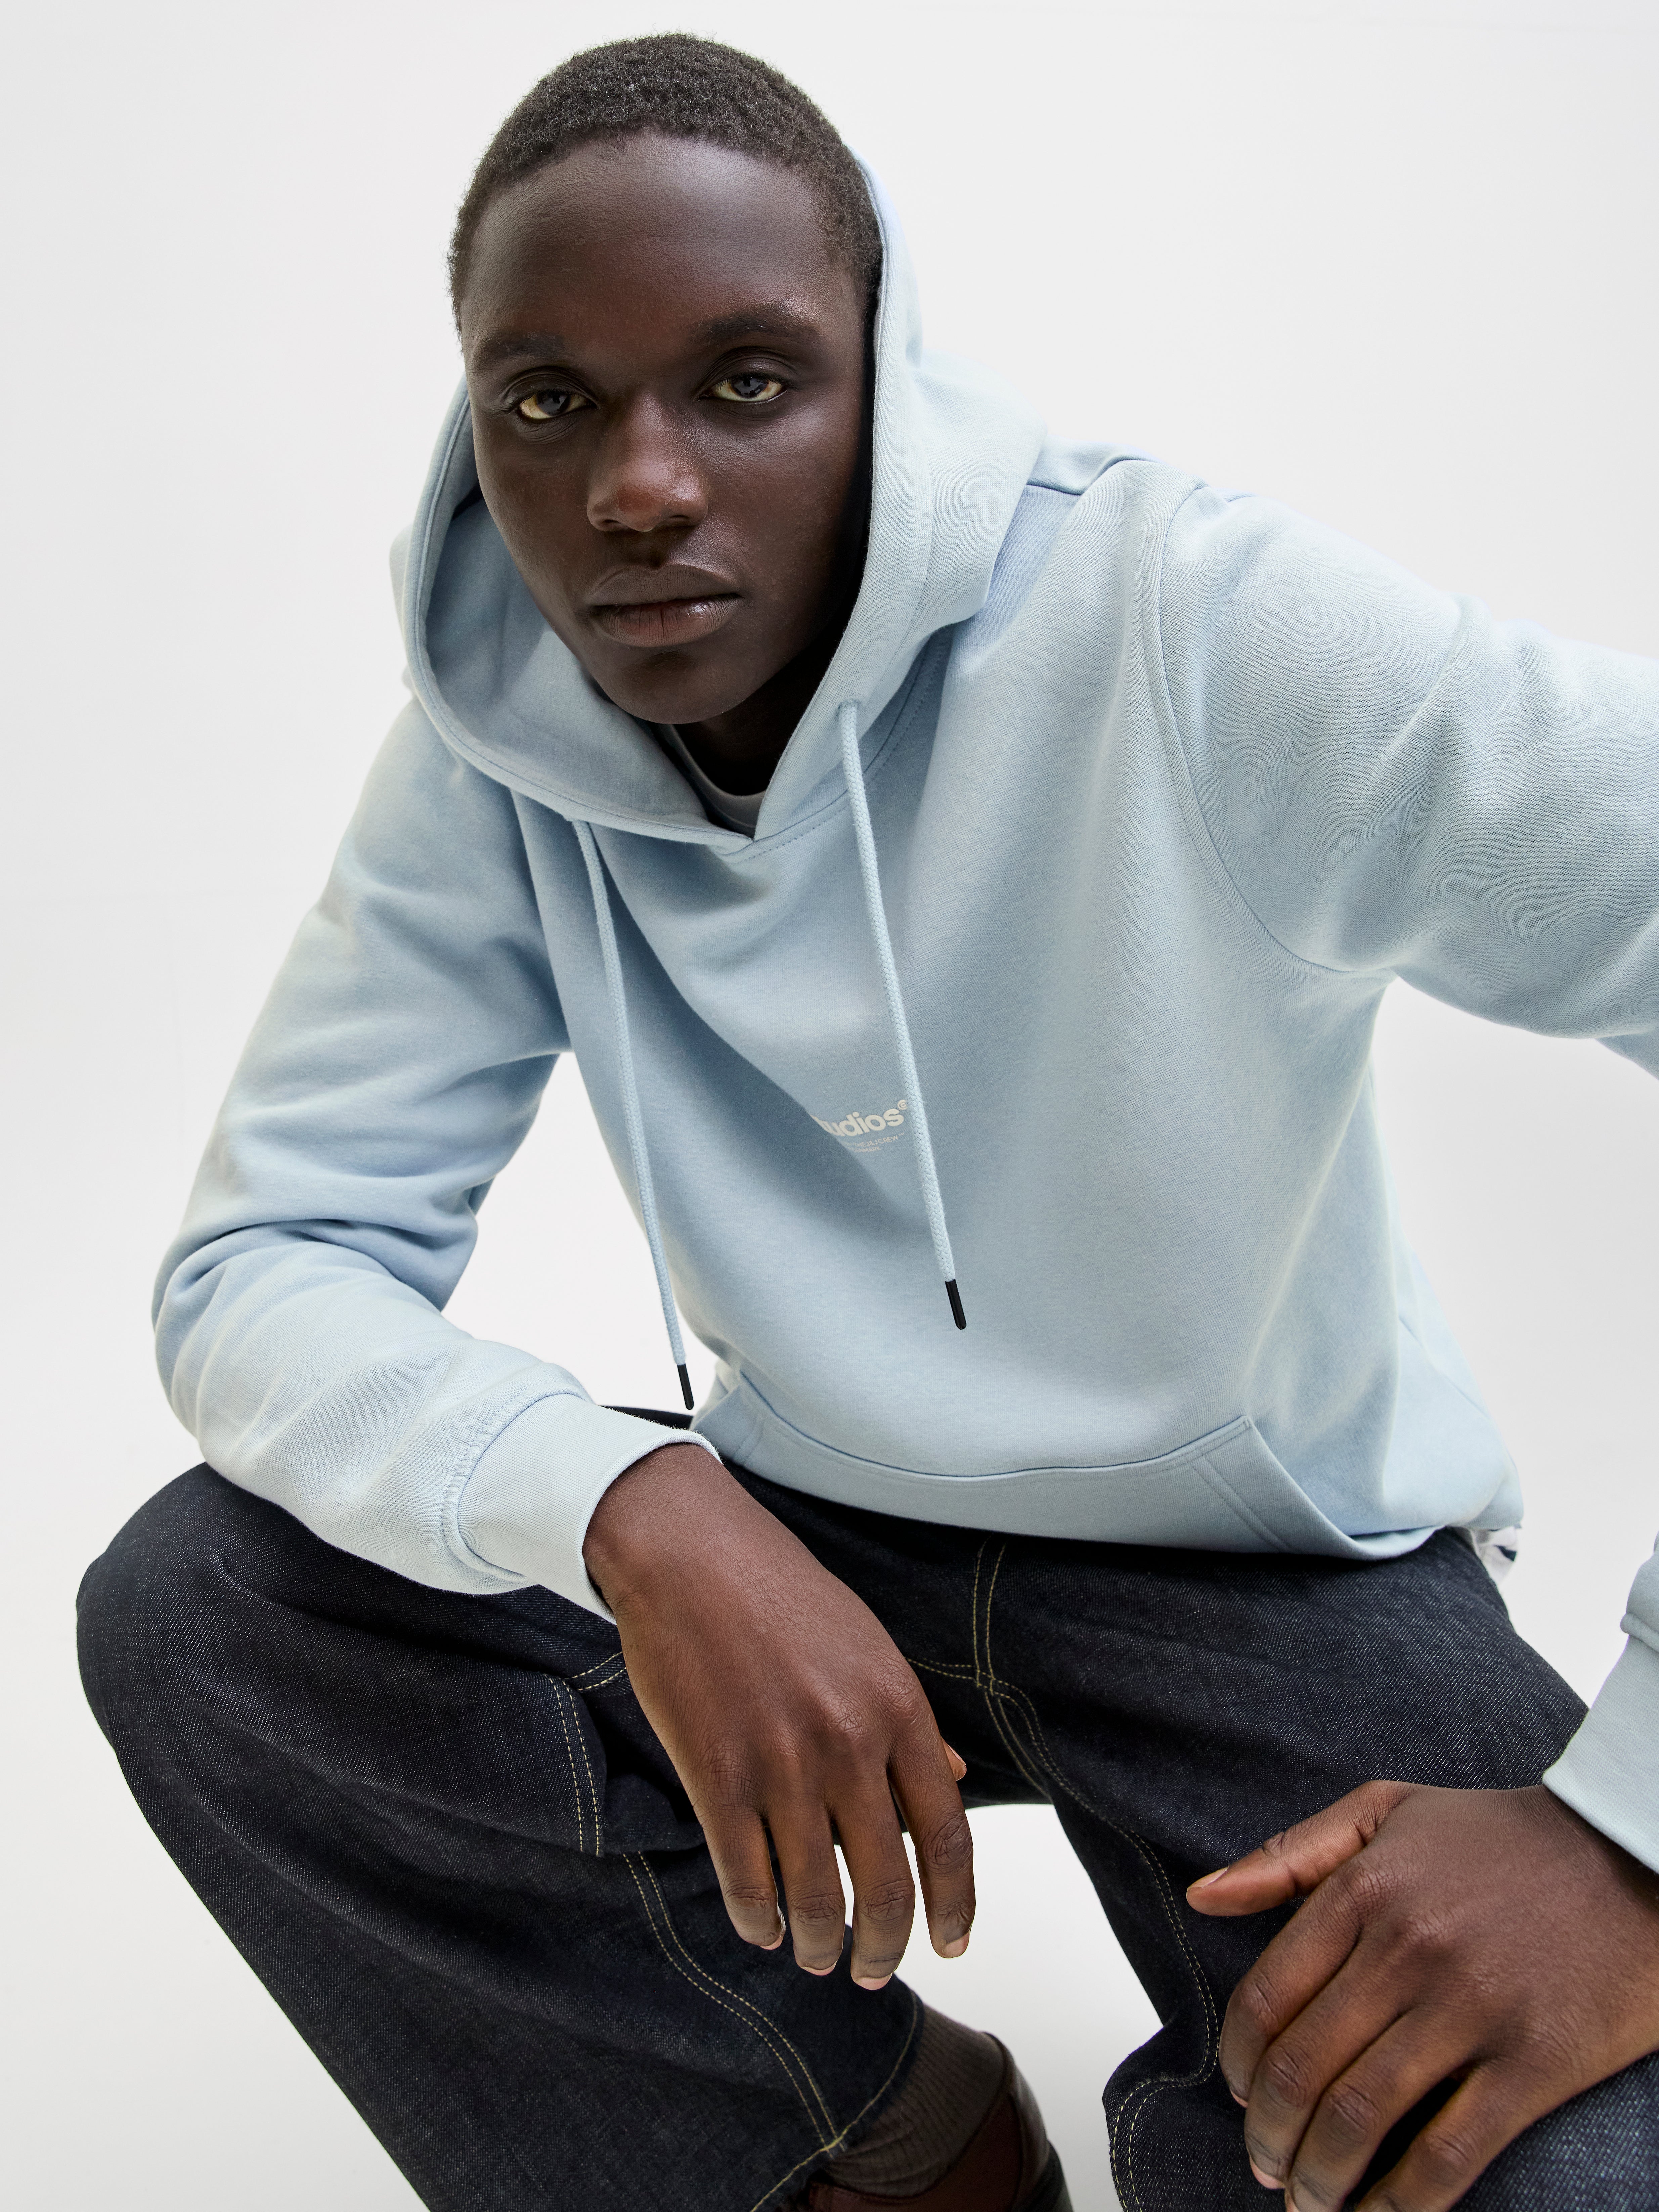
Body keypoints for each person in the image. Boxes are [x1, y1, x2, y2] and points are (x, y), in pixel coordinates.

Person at [76, 32, 1659, 2212]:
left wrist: (1629, 1839)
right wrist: (637, 1504)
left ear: (882, 379)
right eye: (547, 402)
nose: (637, 486)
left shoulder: (1190, 622)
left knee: (1575, 2169)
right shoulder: (499, 735)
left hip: (1283, 1579)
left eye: (746, 381)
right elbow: (266, 1263)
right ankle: (879, 2158)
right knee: (209, 1616)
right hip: (822, 1546)